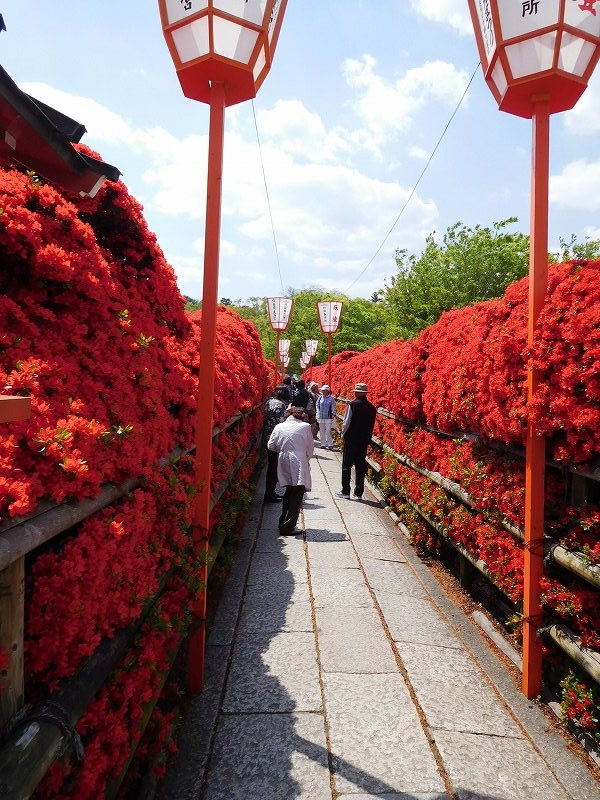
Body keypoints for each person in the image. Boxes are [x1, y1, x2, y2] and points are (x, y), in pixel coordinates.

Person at [267, 406, 314, 535]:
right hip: (299, 459)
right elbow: (310, 447)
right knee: (297, 492)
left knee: (289, 491)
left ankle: (283, 522)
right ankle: (287, 526)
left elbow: (270, 445)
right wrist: (306, 459)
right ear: (301, 416)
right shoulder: (305, 427)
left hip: (283, 459)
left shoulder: (279, 426)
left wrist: (282, 450)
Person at [336, 382, 376, 500]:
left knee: (346, 465)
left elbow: (346, 422)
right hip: (364, 440)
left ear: (357, 393)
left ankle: (345, 491)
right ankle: (358, 493)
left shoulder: (352, 405)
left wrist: (343, 435)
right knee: (360, 465)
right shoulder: (372, 408)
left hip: (351, 439)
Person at [262, 386, 288, 503]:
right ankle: (270, 494)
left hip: (266, 435)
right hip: (275, 439)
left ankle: (271, 492)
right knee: (274, 467)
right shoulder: (280, 405)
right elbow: (281, 423)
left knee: (272, 466)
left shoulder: (269, 402)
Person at [316, 384, 336, 450]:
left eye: (324, 390)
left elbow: (333, 407)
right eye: (322, 390)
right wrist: (318, 412)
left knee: (328, 431)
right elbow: (317, 405)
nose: (323, 391)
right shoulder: (320, 397)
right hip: (321, 416)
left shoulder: (331, 398)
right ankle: (323, 444)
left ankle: (330, 444)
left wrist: (333, 414)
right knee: (321, 431)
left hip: (328, 417)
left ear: (327, 391)